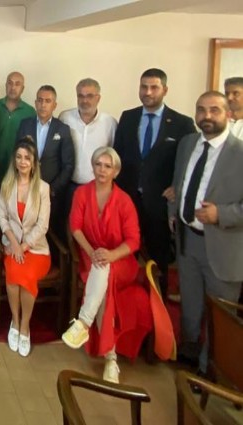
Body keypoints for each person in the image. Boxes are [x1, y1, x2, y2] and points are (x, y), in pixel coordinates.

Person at [62, 147, 152, 384]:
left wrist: (110, 255)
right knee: (104, 286)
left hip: (121, 261)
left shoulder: (124, 201)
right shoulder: (82, 193)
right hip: (90, 257)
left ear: (116, 171)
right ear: (93, 167)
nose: (102, 170)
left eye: (107, 166)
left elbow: (133, 241)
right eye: (98, 165)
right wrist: (91, 252)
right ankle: (111, 359)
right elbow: (75, 227)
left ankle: (83, 322)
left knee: (103, 269)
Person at [169, 91, 243, 378]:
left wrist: (220, 214)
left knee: (218, 316)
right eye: (201, 109)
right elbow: (179, 183)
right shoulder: (188, 143)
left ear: (228, 114)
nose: (207, 116)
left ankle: (207, 371)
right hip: (188, 241)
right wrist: (173, 212)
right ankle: (189, 355)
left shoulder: (239, 154)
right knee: (190, 305)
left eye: (214, 110)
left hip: (223, 248)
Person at [114, 68, 195, 300]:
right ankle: (127, 299)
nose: (148, 92)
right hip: (128, 199)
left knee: (159, 256)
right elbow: (118, 156)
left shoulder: (181, 123)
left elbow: (192, 160)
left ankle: (158, 301)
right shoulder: (128, 117)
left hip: (159, 201)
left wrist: (178, 186)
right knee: (126, 254)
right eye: (144, 87)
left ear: (165, 90)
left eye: (154, 87)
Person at [0, 138, 51, 357]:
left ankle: (25, 327)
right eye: (19, 157)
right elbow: (2, 216)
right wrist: (14, 243)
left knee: (27, 276)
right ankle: (15, 321)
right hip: (12, 246)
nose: (22, 162)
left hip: (36, 249)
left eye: (27, 158)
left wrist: (24, 245)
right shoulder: (7, 184)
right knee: (13, 272)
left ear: (34, 162)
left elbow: (43, 225)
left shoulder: (43, 188)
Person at [17, 85, 75, 230]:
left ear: (54, 105)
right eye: (40, 100)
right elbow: (17, 155)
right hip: (26, 191)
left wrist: (52, 189)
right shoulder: (25, 124)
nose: (43, 105)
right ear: (35, 103)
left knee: (48, 232)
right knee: (24, 229)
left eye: (48, 101)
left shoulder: (62, 129)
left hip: (50, 193)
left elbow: (68, 165)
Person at [59, 78, 117, 213]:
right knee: (66, 221)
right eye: (81, 96)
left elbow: (113, 158)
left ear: (98, 98)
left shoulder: (110, 123)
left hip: (96, 188)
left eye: (90, 96)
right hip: (69, 186)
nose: (85, 100)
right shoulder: (65, 118)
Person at [0, 71, 36, 184]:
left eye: (17, 84)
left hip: (18, 168)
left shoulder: (30, 112)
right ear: (5, 85)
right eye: (10, 83)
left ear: (22, 89)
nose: (13, 87)